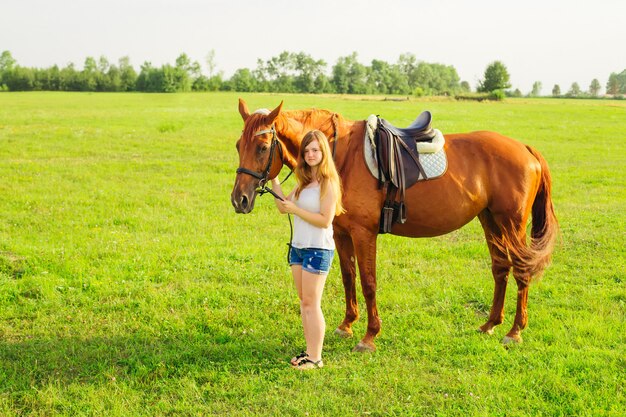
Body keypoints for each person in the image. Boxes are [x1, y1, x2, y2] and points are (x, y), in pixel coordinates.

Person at [270, 130, 344, 370]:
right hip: (299, 249)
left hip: (317, 250)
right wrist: (274, 178)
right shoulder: (304, 182)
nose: (311, 155)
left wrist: (295, 210)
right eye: (307, 151)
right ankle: (309, 351)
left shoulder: (328, 182)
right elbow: (283, 207)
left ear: (323, 152)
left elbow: (325, 220)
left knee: (312, 303)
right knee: (304, 302)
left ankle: (315, 358)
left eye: (315, 150)